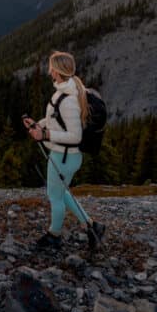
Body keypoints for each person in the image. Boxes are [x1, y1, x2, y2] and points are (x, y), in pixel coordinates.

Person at [23, 51, 106, 249]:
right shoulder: (66, 91)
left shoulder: (67, 99)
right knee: (62, 194)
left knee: (55, 197)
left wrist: (45, 136)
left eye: (51, 67)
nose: (48, 70)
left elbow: (75, 136)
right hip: (66, 157)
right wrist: (38, 125)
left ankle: (54, 235)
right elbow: (56, 121)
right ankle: (93, 226)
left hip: (64, 157)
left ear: (57, 71)